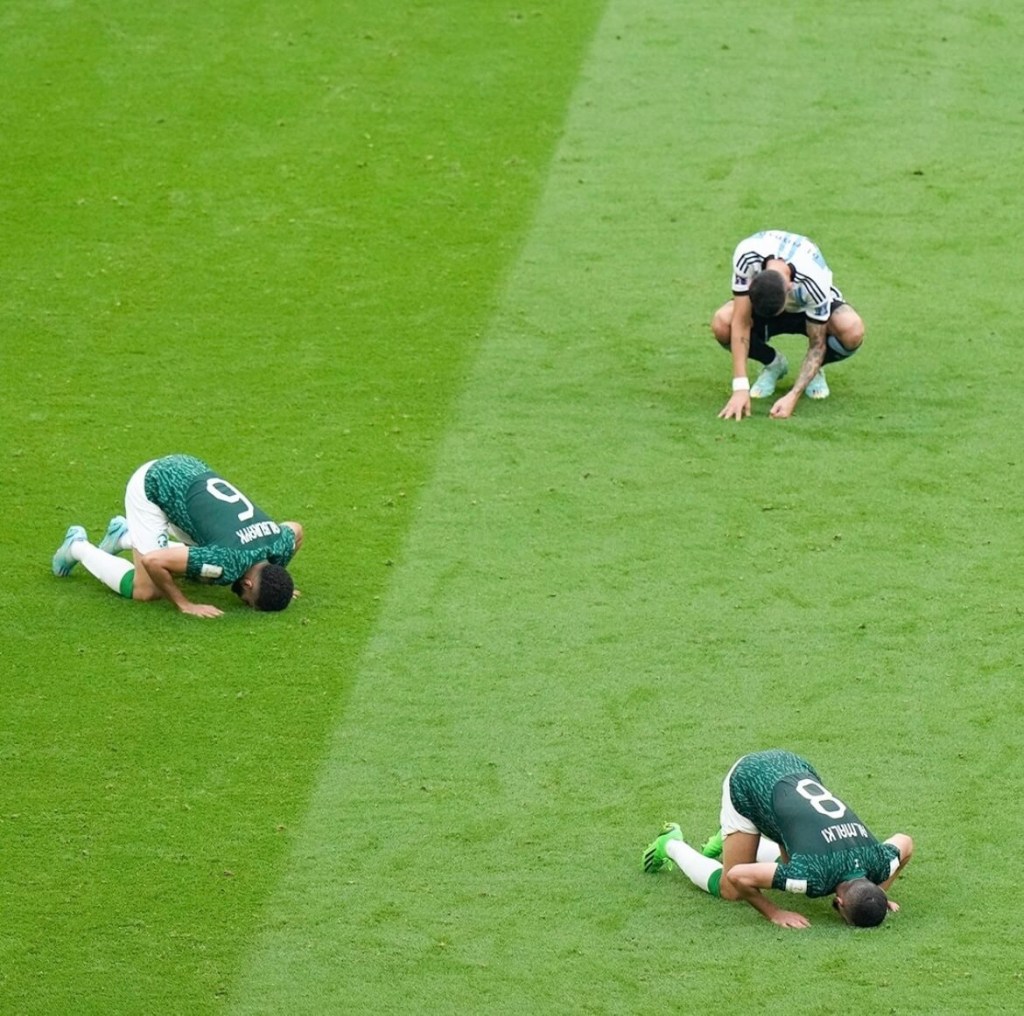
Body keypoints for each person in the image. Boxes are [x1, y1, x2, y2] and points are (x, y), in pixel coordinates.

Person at [642, 749, 913, 929]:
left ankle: (734, 838)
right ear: (840, 903)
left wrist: (876, 894)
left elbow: (905, 842)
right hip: (748, 780)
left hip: (794, 765)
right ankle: (672, 843)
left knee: (789, 857)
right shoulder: (812, 876)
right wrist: (774, 913)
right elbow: (738, 875)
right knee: (730, 889)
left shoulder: (878, 860)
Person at [52, 454, 304, 618]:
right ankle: (77, 546)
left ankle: (126, 535)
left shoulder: (278, 544)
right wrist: (185, 604)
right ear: (248, 585)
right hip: (154, 486)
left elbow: (296, 529)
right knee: (146, 589)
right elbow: (154, 562)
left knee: (203, 575)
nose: (244, 602)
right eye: (249, 602)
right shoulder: (226, 561)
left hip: (190, 470)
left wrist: (276, 579)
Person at [713, 230, 865, 420]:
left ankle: (814, 371)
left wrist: (793, 396)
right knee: (722, 322)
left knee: (852, 329)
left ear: (790, 289)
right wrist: (740, 388)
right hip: (767, 298)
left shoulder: (814, 281)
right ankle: (773, 363)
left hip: (808, 309)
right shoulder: (746, 256)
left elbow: (817, 345)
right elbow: (741, 321)